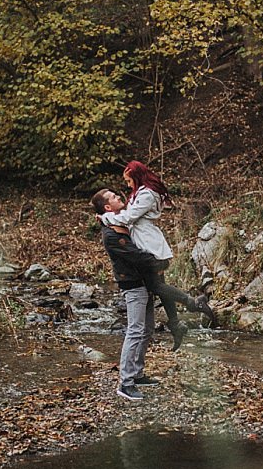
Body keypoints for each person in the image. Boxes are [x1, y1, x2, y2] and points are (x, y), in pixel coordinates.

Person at [98, 161, 216, 327]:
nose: (128, 185)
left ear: (137, 177)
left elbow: (128, 217)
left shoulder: (147, 194)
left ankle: (193, 303)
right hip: (144, 240)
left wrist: (104, 217)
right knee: (159, 285)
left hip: (148, 242)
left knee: (156, 285)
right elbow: (128, 215)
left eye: (129, 181)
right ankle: (175, 324)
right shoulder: (141, 192)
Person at [91, 189, 167, 400]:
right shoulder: (111, 234)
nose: (119, 197)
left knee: (147, 329)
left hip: (145, 282)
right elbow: (136, 256)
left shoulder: (120, 222)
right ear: (107, 207)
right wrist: (161, 261)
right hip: (132, 285)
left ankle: (138, 374)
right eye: (114, 197)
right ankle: (125, 383)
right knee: (135, 330)